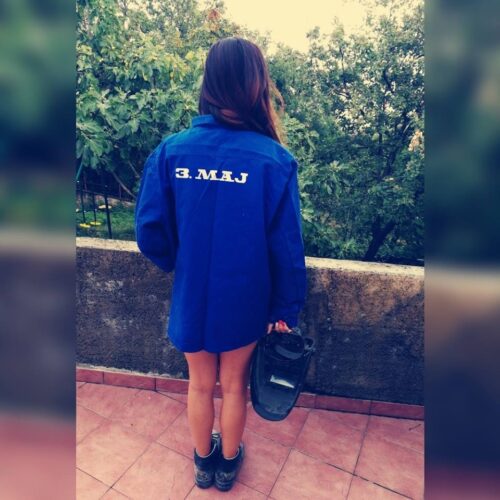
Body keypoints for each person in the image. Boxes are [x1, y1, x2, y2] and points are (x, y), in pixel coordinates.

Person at [135, 36, 307, 492]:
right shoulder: (274, 161)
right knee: (234, 386)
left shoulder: (171, 151)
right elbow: (288, 249)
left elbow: (149, 231)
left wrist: (184, 263)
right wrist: (286, 309)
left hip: (192, 294)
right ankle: (228, 466)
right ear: (257, 85)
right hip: (246, 299)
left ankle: (203, 464)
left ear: (209, 83)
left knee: (198, 384)